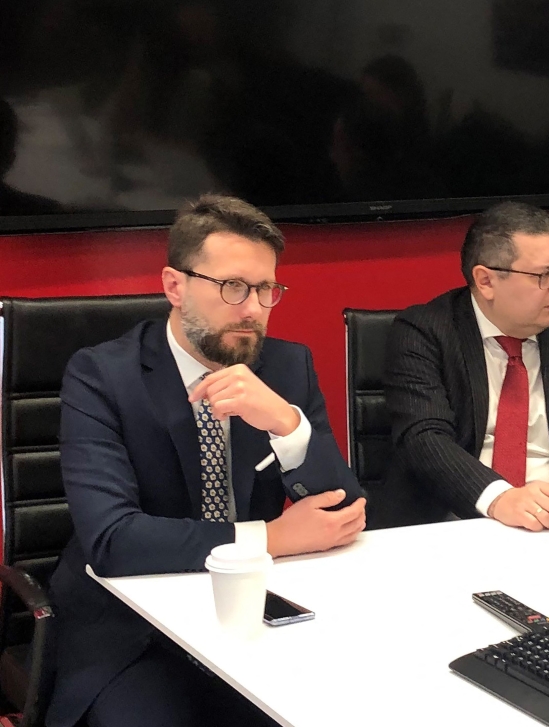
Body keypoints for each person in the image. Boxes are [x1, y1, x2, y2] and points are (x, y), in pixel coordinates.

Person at [47, 195, 366, 727]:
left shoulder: (286, 367)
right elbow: (112, 541)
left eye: (266, 289)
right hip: (135, 628)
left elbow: (347, 513)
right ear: (176, 286)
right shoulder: (102, 376)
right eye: (233, 287)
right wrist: (270, 537)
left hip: (257, 615)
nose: (252, 309)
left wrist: (287, 425)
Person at [383, 201, 549, 530]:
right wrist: (500, 498)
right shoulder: (424, 332)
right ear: (486, 281)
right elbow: (425, 439)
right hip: (454, 524)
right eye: (545, 274)